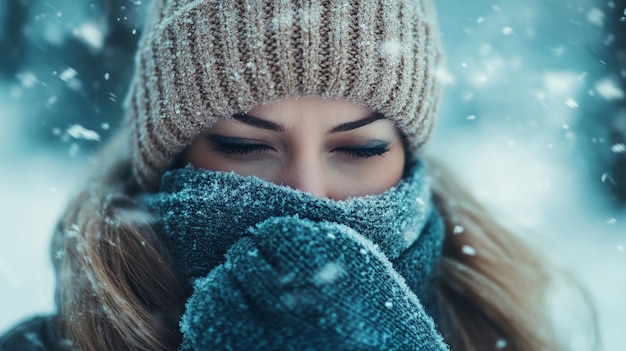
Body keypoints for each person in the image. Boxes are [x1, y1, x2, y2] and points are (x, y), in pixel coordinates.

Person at [0, 0, 595, 350]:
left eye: (360, 149)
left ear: (408, 157)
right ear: (172, 158)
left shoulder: (510, 333)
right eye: (241, 146)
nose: (306, 194)